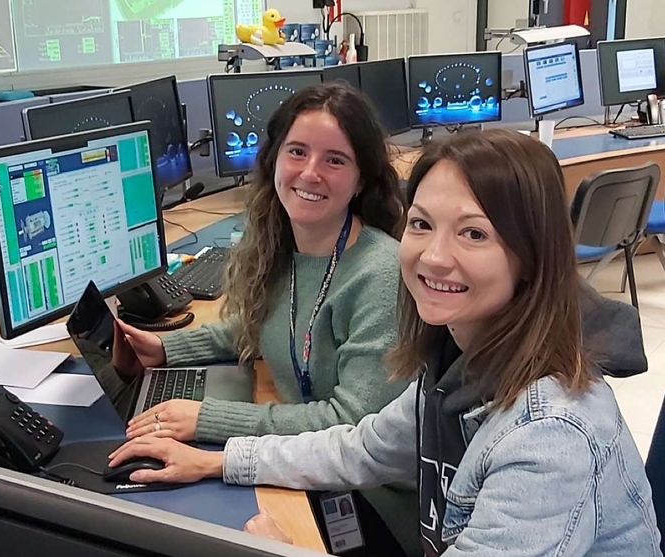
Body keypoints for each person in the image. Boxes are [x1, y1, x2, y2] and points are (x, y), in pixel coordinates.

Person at [109, 129, 660, 556]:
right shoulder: (457, 364)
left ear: (532, 255)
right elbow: (361, 448)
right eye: (421, 224)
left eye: (474, 233)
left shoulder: (550, 434)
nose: (434, 256)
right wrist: (216, 462)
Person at [120, 81, 416, 553]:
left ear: (361, 179)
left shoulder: (379, 275)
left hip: (372, 503)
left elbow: (353, 423)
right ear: (275, 158)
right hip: (309, 467)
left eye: (335, 160)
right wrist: (166, 347)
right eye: (297, 151)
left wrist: (208, 419)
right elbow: (268, 326)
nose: (310, 172)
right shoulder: (287, 247)